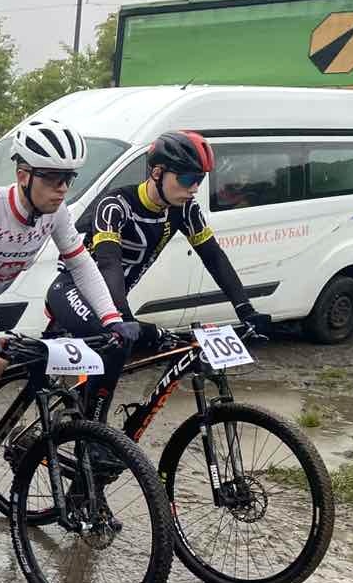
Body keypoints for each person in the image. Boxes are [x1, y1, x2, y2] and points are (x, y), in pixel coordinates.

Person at [0, 117, 136, 552]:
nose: (61, 189)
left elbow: (81, 264)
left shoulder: (55, 215)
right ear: (23, 175)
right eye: (52, 178)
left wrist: (111, 319)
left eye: (68, 179)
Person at [45, 130, 266, 424]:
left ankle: (90, 424)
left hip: (112, 302)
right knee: (116, 344)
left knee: (154, 345)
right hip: (72, 290)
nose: (194, 188)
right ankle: (94, 430)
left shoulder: (184, 210)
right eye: (187, 179)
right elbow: (109, 263)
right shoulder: (116, 205)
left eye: (199, 180)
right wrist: (122, 317)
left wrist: (245, 309)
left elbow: (213, 256)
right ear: (157, 172)